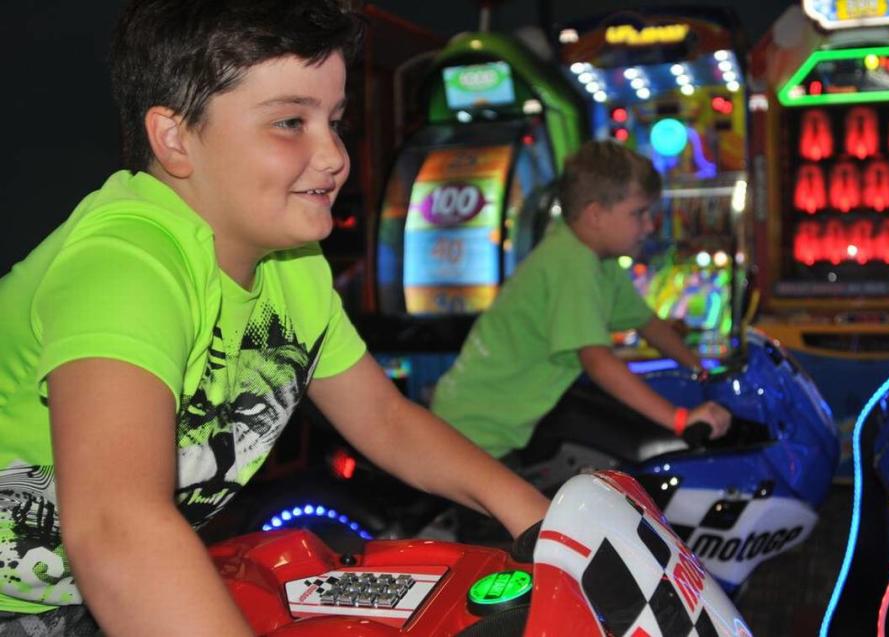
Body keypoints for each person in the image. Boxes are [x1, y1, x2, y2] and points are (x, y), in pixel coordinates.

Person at [0, 1, 549, 634]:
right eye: (291, 121)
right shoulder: (127, 263)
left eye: (334, 120)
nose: (334, 155)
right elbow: (116, 528)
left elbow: (385, 420)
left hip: (81, 598)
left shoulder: (292, 263)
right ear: (175, 138)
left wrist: (541, 520)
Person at [431, 140, 731, 462]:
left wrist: (702, 373)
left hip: (497, 425)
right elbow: (597, 361)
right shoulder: (572, 263)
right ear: (595, 215)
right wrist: (680, 419)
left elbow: (647, 324)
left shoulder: (598, 260)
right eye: (639, 213)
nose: (648, 226)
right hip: (476, 434)